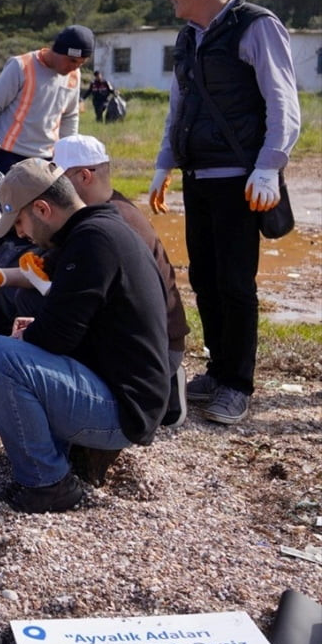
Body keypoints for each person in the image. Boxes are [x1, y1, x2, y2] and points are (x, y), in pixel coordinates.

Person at [0, 158, 171, 513]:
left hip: (125, 407)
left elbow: (55, 337)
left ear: (42, 208)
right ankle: (63, 451)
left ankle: (48, 483)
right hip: (101, 380)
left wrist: (24, 340)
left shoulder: (94, 241)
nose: (20, 234)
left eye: (19, 222)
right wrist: (13, 294)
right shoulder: (89, 231)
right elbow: (69, 318)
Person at [148, 0, 300, 425]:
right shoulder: (188, 36)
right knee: (205, 279)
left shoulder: (256, 26)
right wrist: (164, 163)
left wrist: (268, 167)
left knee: (236, 284)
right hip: (199, 177)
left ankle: (238, 384)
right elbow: (180, 105)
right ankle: (217, 369)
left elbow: (284, 105)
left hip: (242, 179)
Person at [53, 134, 189, 427]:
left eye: (59, 181)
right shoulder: (101, 212)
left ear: (84, 176)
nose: (53, 191)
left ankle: (159, 394)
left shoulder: (113, 225)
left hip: (158, 350)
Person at [0, 25, 94, 174]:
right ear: (57, 50)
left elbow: (70, 116)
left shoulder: (74, 75)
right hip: (10, 155)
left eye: (81, 63)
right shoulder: (21, 66)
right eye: (72, 61)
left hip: (47, 158)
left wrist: (67, 153)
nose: (74, 67)